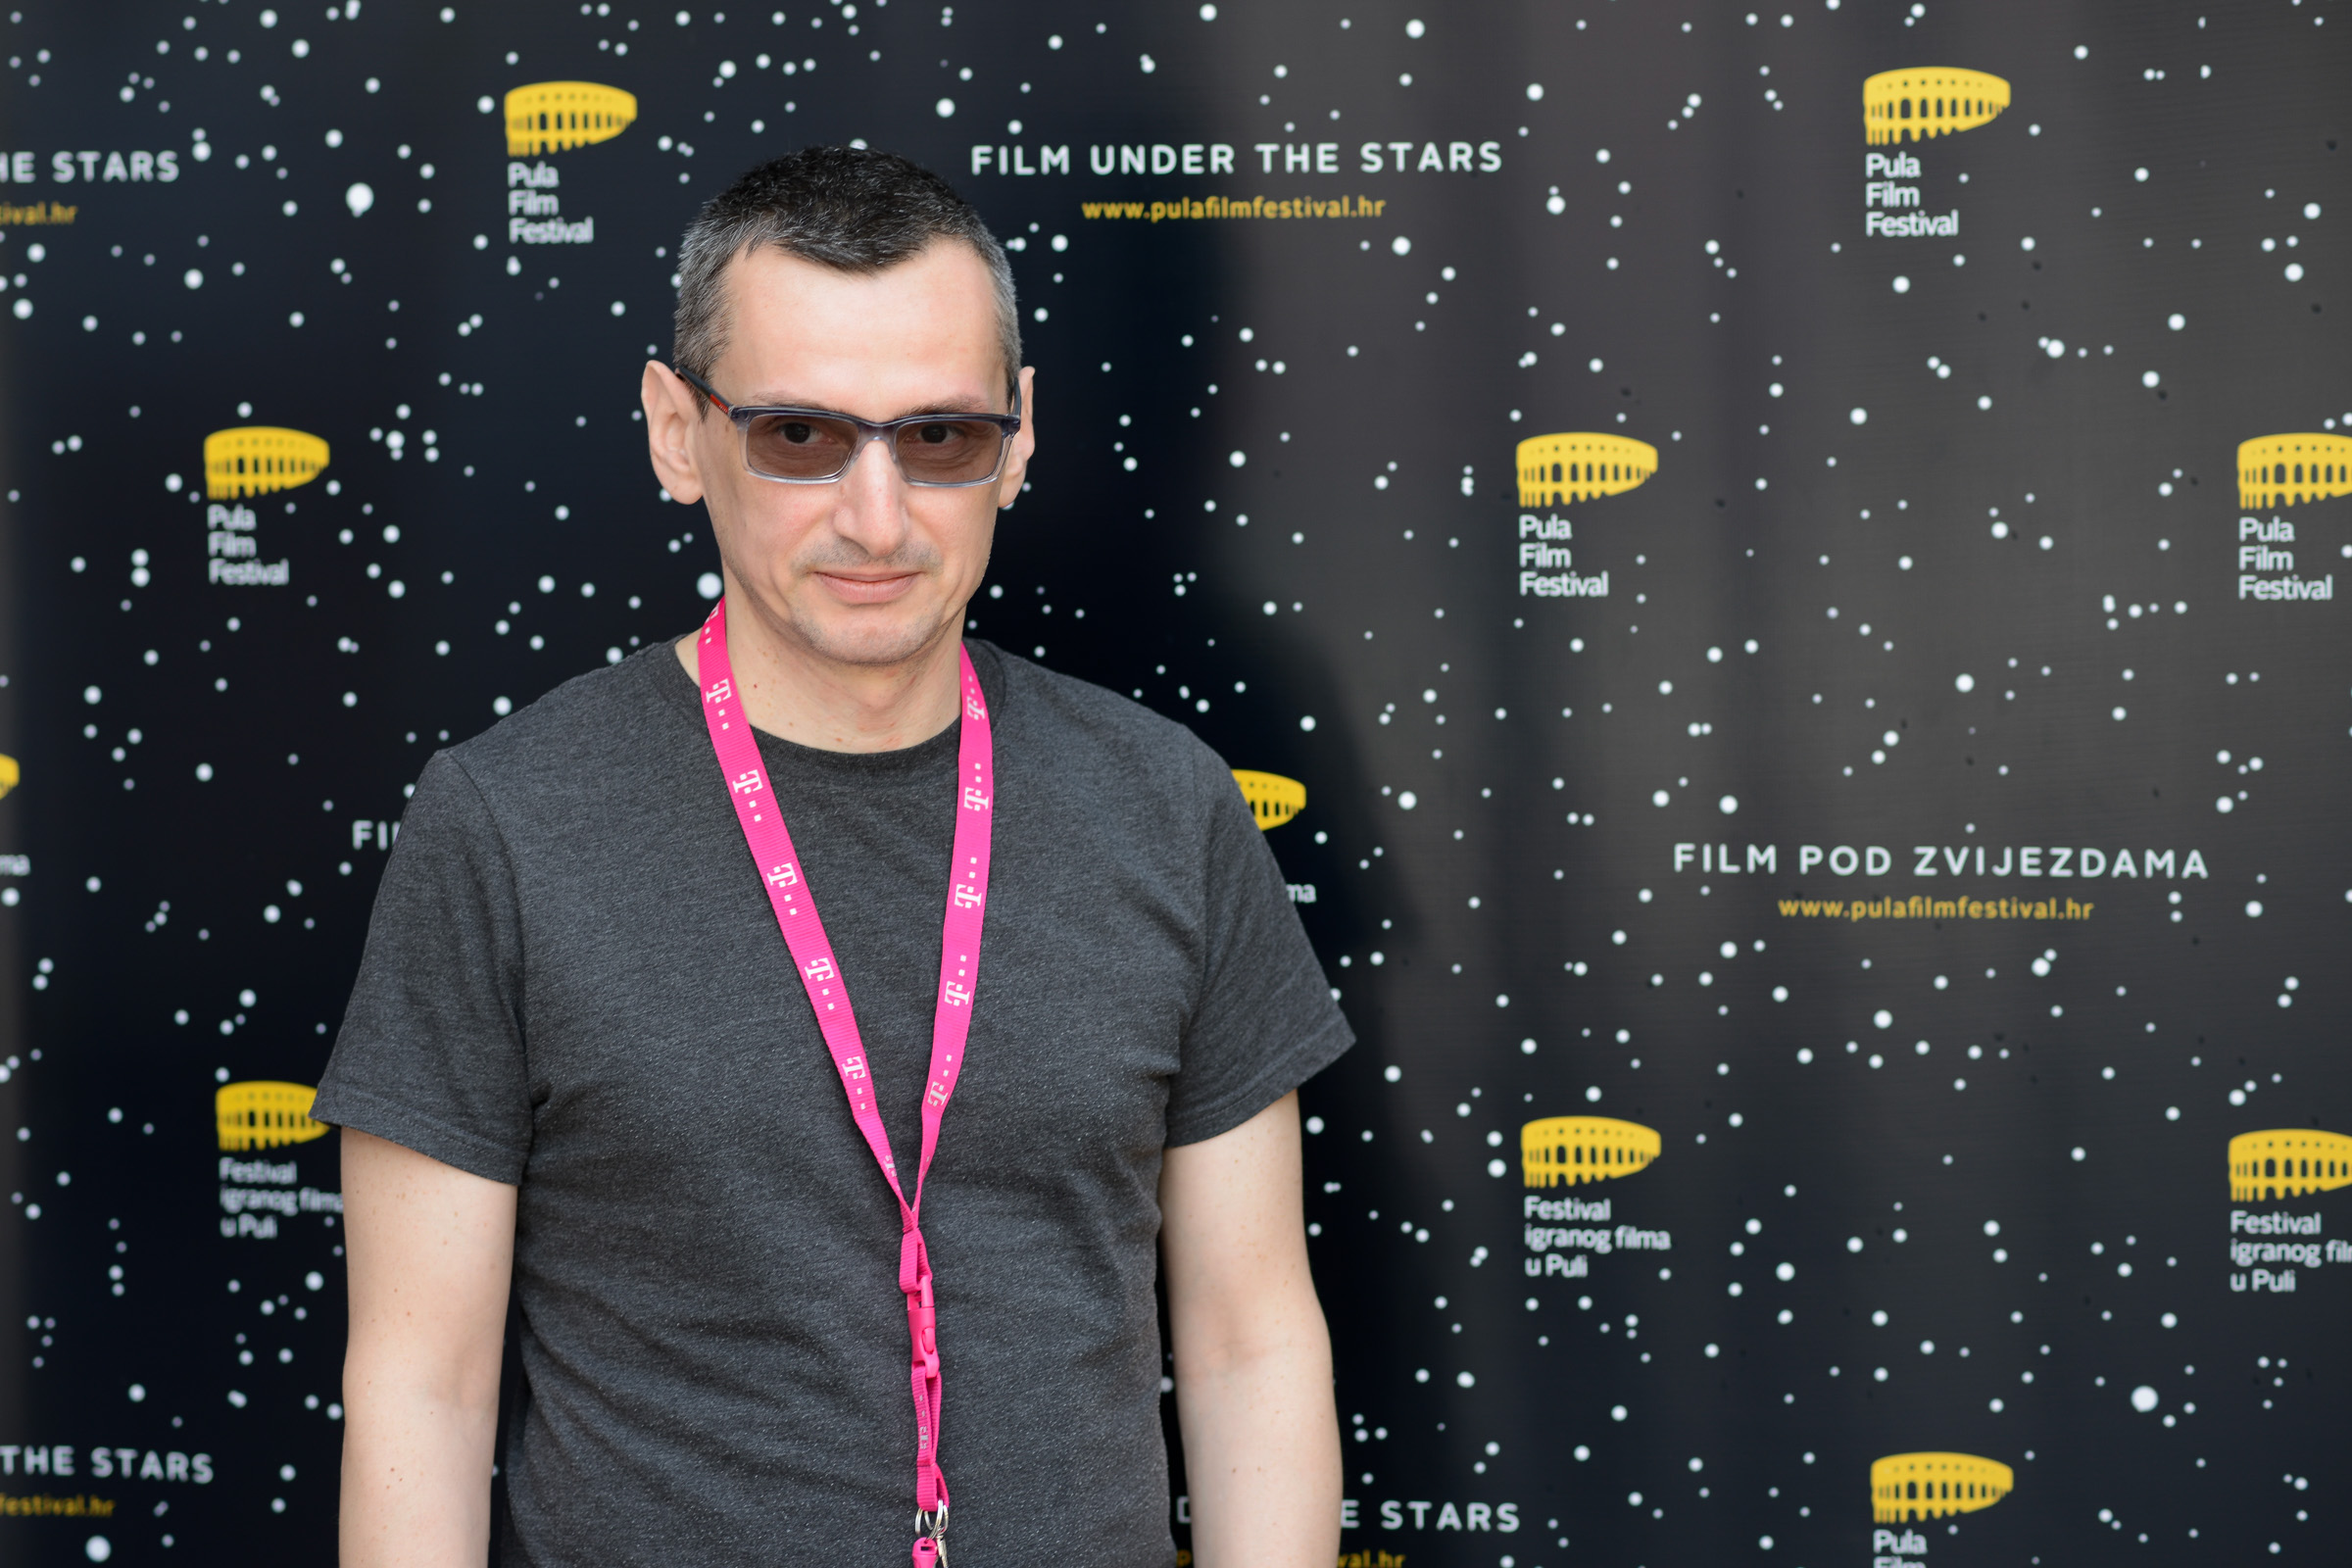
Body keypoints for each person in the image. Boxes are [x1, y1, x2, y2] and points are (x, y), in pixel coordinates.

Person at [318, 145, 1350, 1568]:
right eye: (799, 436)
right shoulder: (503, 823)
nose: (877, 517)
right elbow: (422, 1390)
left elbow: (1250, 1338)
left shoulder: (1169, 804)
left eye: (941, 438)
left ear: (1020, 441)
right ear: (677, 433)